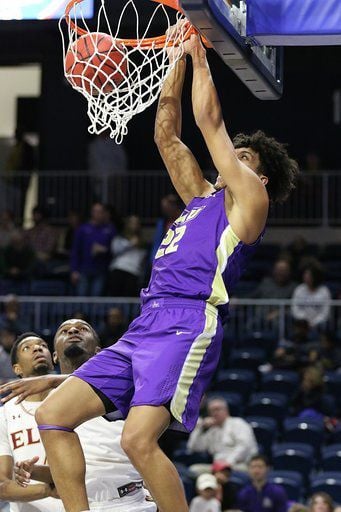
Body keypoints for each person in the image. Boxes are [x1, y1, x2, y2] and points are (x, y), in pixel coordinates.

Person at [13, 33, 298, 512]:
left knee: (137, 441)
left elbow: (210, 123)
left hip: (188, 323)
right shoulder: (204, 199)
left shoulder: (251, 201)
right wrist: (174, 63)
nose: (232, 158)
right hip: (146, 323)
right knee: (54, 415)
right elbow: (166, 137)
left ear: (261, 177)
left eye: (243, 157)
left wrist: (199, 52)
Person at [1, 321, 156, 512]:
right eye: (64, 331)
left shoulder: (123, 387)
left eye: (83, 329)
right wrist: (36, 474)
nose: (73, 330)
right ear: (55, 356)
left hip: (130, 501)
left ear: (100, 352)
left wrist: (52, 381)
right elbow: (74, 468)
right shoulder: (44, 408)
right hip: (79, 504)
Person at [0, 332, 61, 511]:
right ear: (17, 369)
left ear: (53, 358)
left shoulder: (72, 400)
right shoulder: (5, 414)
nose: (37, 348)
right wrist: (47, 490)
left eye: (43, 345)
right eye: (27, 348)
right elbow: (2, 485)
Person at [187, 397, 258, 473]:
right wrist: (200, 428)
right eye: (211, 411)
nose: (215, 413)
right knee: (194, 470)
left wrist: (228, 462)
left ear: (226, 410)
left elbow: (245, 446)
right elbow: (193, 448)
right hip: (218, 468)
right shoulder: (212, 430)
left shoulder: (238, 423)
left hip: (239, 465)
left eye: (217, 409)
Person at [70, 202, 116, 296]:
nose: (98, 214)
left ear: (104, 213)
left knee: (96, 299)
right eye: (96, 211)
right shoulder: (82, 229)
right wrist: (74, 270)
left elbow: (115, 250)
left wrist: (105, 250)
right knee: (81, 298)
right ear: (92, 213)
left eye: (100, 211)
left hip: (101, 270)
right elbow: (75, 251)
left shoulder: (110, 229)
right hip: (84, 269)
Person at [107, 215, 147, 297]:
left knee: (128, 297)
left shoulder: (143, 242)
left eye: (136, 223)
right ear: (128, 224)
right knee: (115, 296)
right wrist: (130, 244)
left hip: (133, 272)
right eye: (132, 223)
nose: (134, 225)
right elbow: (115, 250)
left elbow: (143, 258)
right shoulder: (120, 237)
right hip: (119, 269)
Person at [291, 259, 331, 329]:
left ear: (315, 277)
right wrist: (305, 320)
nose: (306, 277)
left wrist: (314, 322)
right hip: (301, 323)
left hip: (319, 324)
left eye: (309, 275)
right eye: (305, 275)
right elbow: (295, 309)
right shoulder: (299, 289)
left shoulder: (324, 291)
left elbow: (325, 312)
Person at [149, 194, 184, 262]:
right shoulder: (162, 223)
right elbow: (157, 243)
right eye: (164, 209)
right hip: (164, 260)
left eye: (167, 209)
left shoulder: (186, 220)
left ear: (175, 206)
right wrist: (154, 261)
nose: (165, 212)